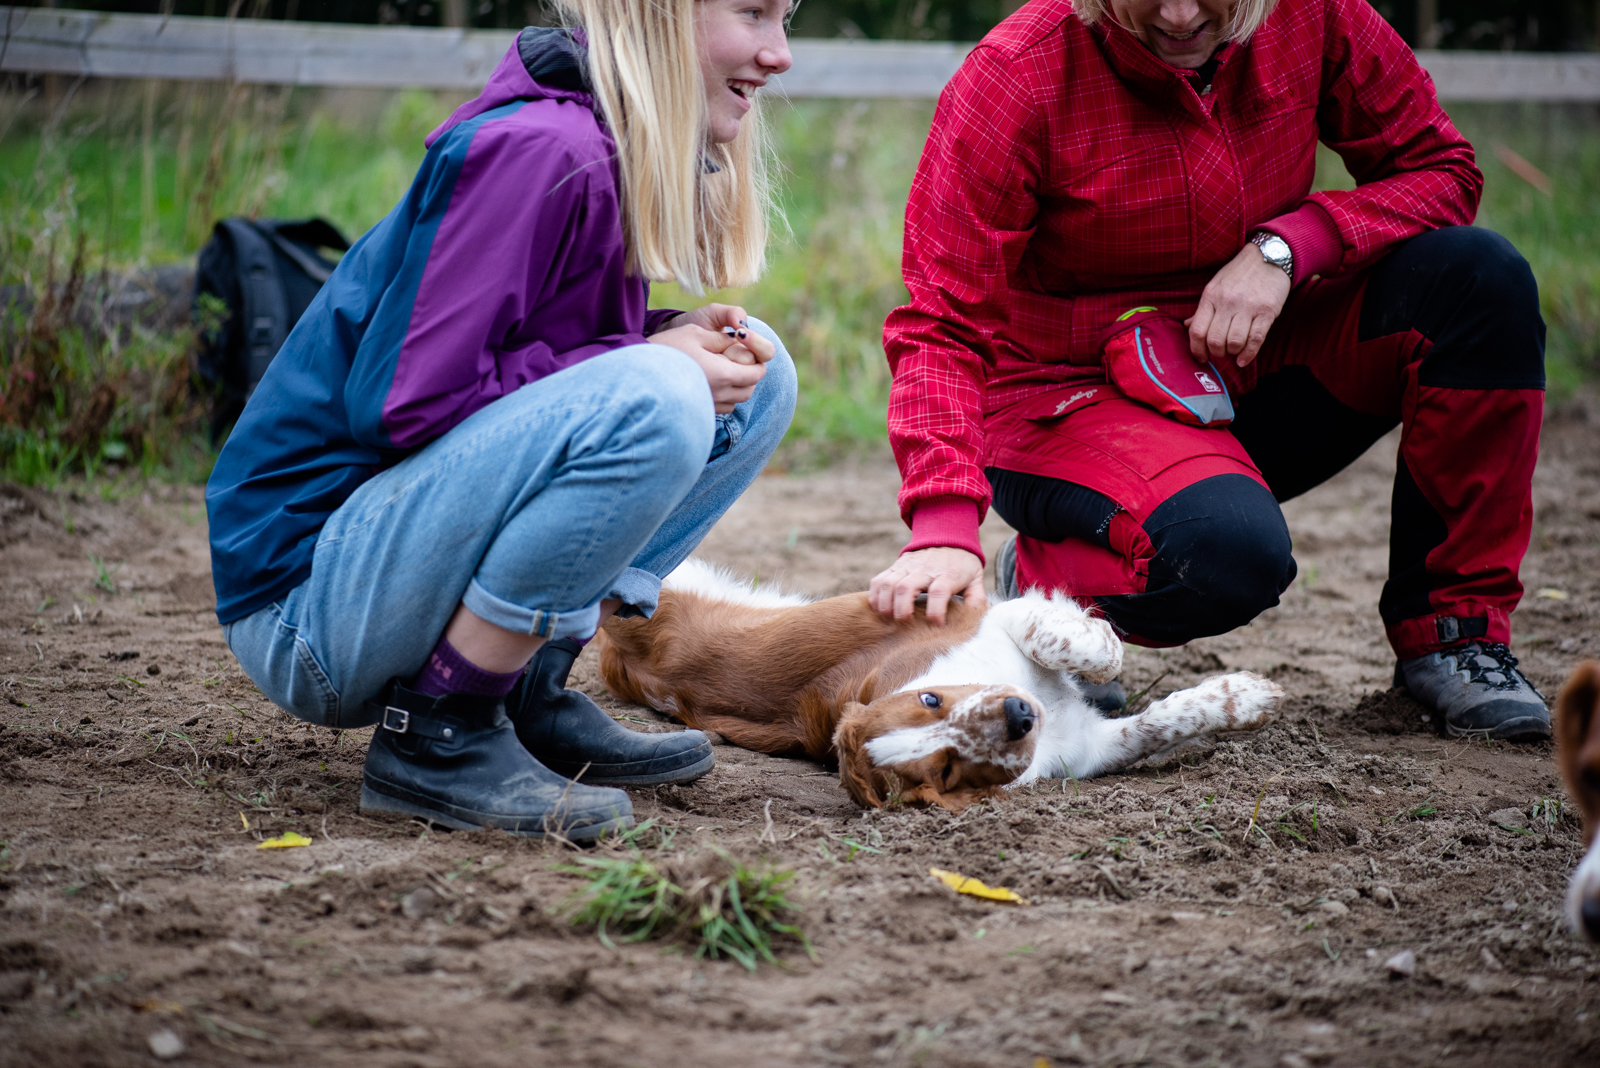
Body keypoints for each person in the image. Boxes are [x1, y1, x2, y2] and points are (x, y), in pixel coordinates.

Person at [871, 0, 1551, 740]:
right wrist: (944, 523)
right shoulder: (1017, 74)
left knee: (1480, 281)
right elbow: (942, 318)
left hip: (1251, 359)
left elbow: (1442, 170)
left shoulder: (1318, 16)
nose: (1178, 15)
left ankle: (1454, 635)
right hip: (1069, 395)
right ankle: (1044, 584)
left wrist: (1289, 247)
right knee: (1226, 558)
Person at [206, 0, 798, 840]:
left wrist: (659, 336)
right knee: (663, 392)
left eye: (786, 18)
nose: (779, 54)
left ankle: (522, 691)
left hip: (386, 567)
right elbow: (404, 405)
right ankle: (439, 733)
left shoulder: (607, 146)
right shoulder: (540, 149)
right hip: (307, 606)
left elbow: (525, 353)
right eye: (753, 13)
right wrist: (642, 361)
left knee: (757, 373)